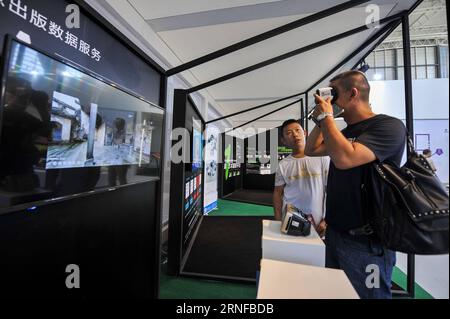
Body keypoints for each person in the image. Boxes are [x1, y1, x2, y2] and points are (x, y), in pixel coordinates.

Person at [305, 70, 406, 299]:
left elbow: (345, 159)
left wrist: (326, 118)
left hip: (366, 243)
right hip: (335, 234)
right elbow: (310, 150)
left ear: (353, 94)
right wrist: (320, 120)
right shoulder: (344, 132)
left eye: (334, 93)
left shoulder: (388, 126)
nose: (329, 99)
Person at [273, 119, 329, 237]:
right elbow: (277, 193)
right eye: (289, 133)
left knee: (316, 252)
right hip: (289, 220)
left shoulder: (322, 158)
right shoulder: (283, 164)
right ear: (283, 141)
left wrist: (328, 219)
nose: (294, 134)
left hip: (318, 222)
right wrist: (278, 221)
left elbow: (332, 190)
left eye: (297, 130)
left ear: (305, 133)